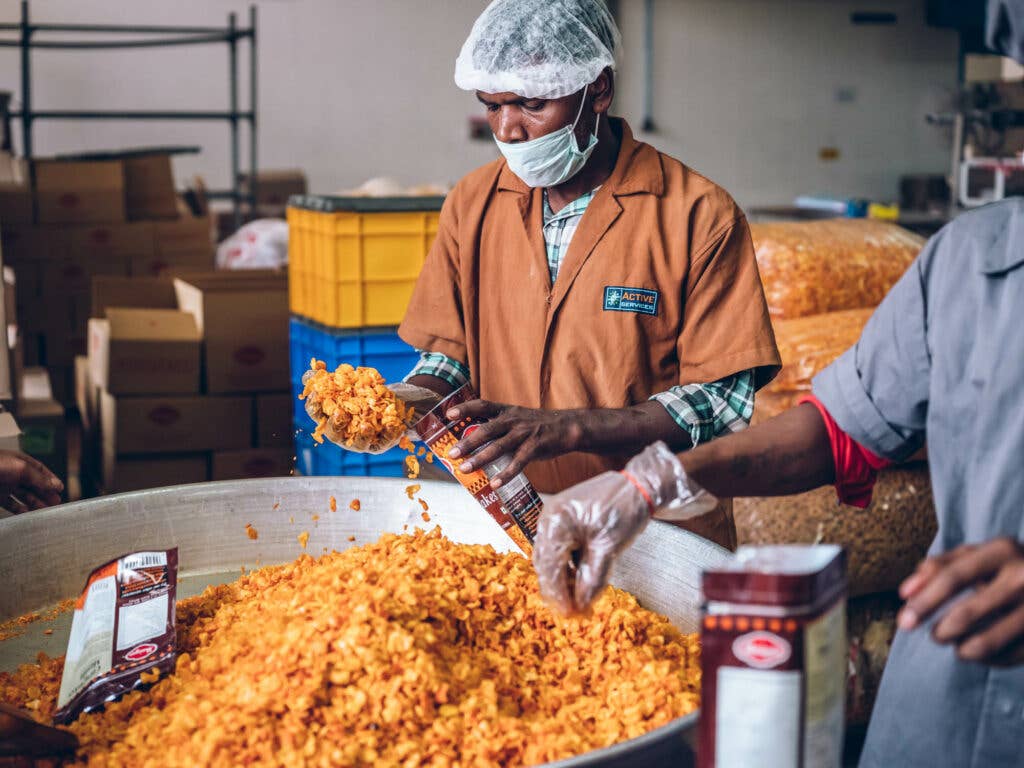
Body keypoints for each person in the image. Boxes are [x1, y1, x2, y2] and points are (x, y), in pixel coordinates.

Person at [533, 6, 1024, 761]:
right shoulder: (975, 261)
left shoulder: (692, 210)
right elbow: (839, 428)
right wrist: (652, 483)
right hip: (942, 712)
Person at [393, 0, 781, 549]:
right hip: (512, 518)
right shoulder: (473, 203)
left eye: (531, 104)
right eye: (492, 105)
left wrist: (569, 428)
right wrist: (395, 403)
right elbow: (449, 357)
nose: (509, 129)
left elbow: (718, 401)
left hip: (653, 527)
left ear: (598, 90)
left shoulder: (695, 214)